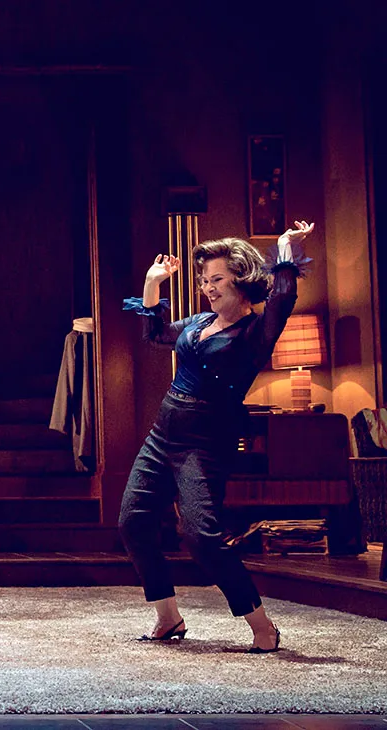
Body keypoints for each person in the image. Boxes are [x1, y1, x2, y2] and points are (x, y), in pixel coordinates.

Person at [119, 220, 315, 654]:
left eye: (217, 279)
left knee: (201, 536)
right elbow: (155, 334)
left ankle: (262, 625)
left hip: (205, 442)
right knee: (133, 522)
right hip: (162, 433)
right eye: (204, 280)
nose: (208, 288)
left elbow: (283, 296)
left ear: (241, 279)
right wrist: (152, 283)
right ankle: (168, 617)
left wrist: (284, 246)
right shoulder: (200, 322)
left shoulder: (256, 332)